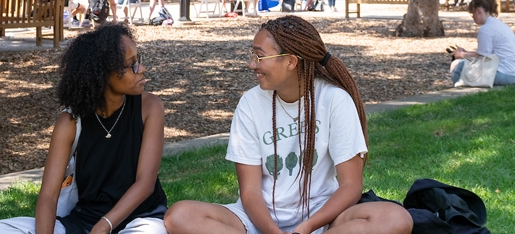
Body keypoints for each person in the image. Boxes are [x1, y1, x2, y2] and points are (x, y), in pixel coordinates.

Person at [164, 16, 413, 234]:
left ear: (291, 61)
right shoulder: (250, 103)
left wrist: (306, 228)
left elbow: (350, 186)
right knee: (180, 216)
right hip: (255, 220)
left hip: (320, 219)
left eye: (259, 56)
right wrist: (272, 232)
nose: (252, 64)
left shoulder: (334, 100)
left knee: (395, 218)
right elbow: (249, 190)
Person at [0, 23, 168, 234]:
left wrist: (104, 226)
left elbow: (145, 182)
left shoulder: (149, 107)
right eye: (131, 65)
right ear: (103, 74)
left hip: (139, 221)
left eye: (138, 61)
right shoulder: (71, 121)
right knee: (2, 229)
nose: (142, 69)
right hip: (83, 221)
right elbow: (48, 195)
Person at [450, 0, 515, 86]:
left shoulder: (485, 29)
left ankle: (459, 93)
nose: (472, 17)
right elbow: (487, 53)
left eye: (472, 13)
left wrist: (461, 55)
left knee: (457, 65)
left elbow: (482, 56)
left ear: (478, 11)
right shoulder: (498, 24)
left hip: (504, 73)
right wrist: (467, 53)